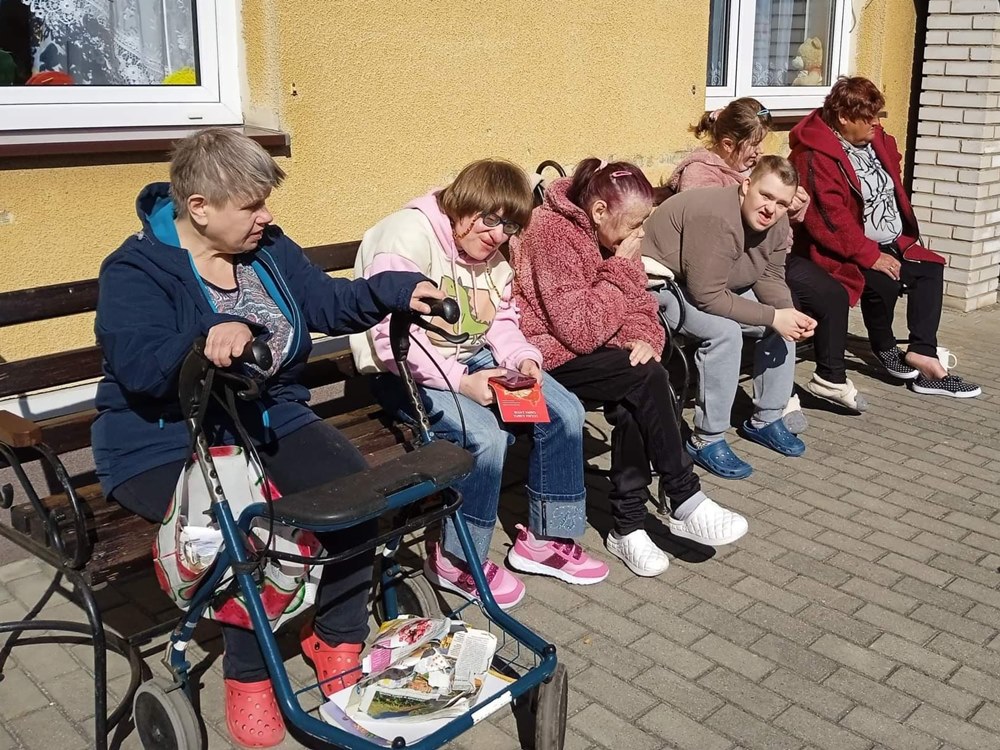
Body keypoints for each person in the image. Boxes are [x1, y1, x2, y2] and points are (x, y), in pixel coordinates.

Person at [91, 129, 443, 748]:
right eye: (252, 205)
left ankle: (335, 637)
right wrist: (203, 339)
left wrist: (394, 291)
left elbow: (328, 303)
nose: (267, 216)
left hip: (267, 416)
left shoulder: (267, 250)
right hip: (166, 440)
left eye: (265, 202)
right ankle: (249, 672)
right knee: (254, 529)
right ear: (199, 207)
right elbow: (139, 364)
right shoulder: (136, 269)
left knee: (356, 496)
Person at [351, 159, 610, 608]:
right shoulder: (406, 237)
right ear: (462, 203)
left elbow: (501, 321)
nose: (497, 235)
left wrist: (523, 358)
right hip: (405, 371)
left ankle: (546, 540)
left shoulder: (490, 254)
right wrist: (462, 382)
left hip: (473, 359)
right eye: (489, 219)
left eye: (509, 227)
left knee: (565, 410)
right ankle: (456, 557)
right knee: (485, 437)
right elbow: (391, 342)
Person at [511, 158, 749, 577]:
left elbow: (642, 306)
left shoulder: (615, 234)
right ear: (599, 210)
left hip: (602, 354)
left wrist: (642, 338)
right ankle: (680, 495)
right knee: (643, 377)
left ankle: (630, 527)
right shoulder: (549, 232)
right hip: (544, 356)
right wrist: (620, 269)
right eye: (635, 223)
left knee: (637, 388)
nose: (640, 233)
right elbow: (580, 330)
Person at [661, 97, 869, 420]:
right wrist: (774, 314)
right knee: (754, 324)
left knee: (814, 302)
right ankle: (723, 426)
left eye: (761, 144)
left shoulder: (755, 177)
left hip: (748, 264)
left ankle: (781, 403)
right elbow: (708, 269)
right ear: (728, 145)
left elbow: (769, 259)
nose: (759, 152)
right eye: (753, 144)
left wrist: (790, 208)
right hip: (692, 279)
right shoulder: (702, 178)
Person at [789, 76, 980, 398]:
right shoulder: (814, 155)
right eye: (869, 117)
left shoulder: (875, 140)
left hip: (890, 240)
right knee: (883, 282)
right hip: (839, 251)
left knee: (929, 269)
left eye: (877, 115)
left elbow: (891, 171)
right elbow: (829, 220)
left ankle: (923, 354)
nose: (877, 123)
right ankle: (885, 346)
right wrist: (870, 255)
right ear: (844, 117)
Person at [643, 156, 817, 480]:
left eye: (781, 203)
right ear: (747, 185)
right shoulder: (716, 217)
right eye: (766, 195)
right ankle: (706, 439)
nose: (771, 209)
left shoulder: (777, 222)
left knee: (783, 323)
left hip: (712, 283)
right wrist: (772, 316)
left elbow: (769, 276)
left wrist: (787, 313)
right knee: (725, 333)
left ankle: (767, 418)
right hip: (661, 285)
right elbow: (707, 297)